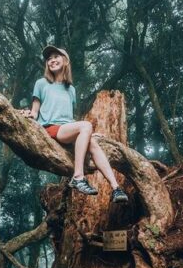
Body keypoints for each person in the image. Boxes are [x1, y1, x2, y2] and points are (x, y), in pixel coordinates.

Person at [20, 45, 129, 203]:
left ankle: (116, 188)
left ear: (65, 61)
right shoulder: (41, 83)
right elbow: (35, 111)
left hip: (65, 130)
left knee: (93, 143)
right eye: (49, 59)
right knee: (85, 125)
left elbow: (68, 118)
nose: (52, 60)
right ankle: (78, 177)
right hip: (49, 129)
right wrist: (28, 114)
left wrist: (87, 133)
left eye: (56, 57)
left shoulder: (71, 90)